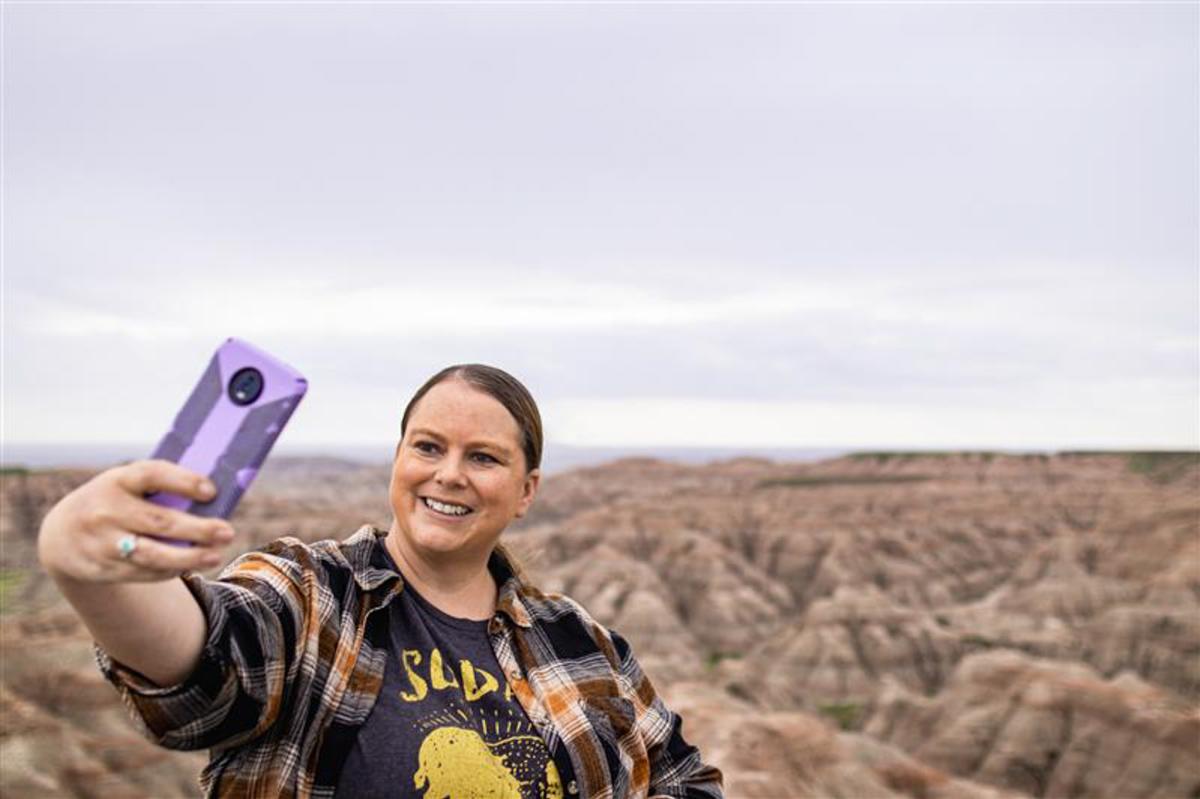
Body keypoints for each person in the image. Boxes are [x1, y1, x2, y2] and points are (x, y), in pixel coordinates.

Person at [38, 364, 725, 798]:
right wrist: (96, 575)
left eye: (482, 456)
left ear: (525, 490)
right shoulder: (312, 593)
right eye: (428, 446)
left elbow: (686, 779)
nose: (448, 473)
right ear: (397, 460)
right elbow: (205, 669)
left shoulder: (581, 642)